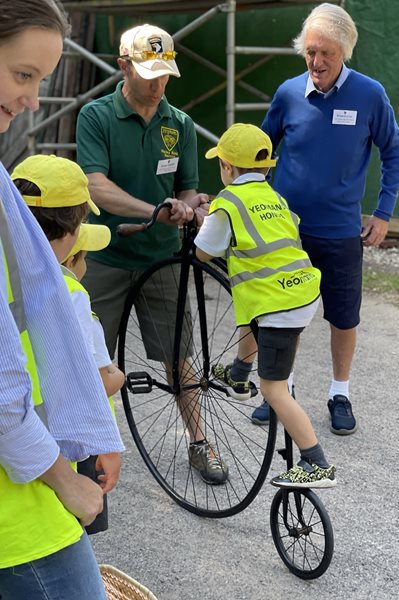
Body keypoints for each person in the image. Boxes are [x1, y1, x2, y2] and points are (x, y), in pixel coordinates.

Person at [0, 2, 124, 598]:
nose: (32, 100)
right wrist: (66, 480)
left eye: (42, 81)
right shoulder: (70, 291)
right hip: (20, 511)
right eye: (22, 75)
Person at [76, 23, 228, 485]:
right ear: (123, 66)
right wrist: (154, 210)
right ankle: (85, 450)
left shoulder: (179, 124)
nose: (158, 83)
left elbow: (185, 187)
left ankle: (199, 442)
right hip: (105, 256)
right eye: (148, 73)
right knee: (90, 357)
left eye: (164, 73)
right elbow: (95, 185)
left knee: (179, 355)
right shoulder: (96, 116)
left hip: (161, 257)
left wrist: (191, 205)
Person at [253, 2, 399, 433]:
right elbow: (261, 153)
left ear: (345, 52)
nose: (317, 62)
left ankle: (340, 393)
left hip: (340, 232)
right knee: (282, 315)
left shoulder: (369, 94)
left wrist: (383, 214)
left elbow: (394, 153)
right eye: (310, 52)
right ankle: (281, 390)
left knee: (343, 317)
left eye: (327, 53)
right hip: (286, 232)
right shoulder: (287, 94)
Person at [195, 123, 336, 489]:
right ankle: (239, 372)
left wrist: (207, 220)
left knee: (274, 389)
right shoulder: (274, 197)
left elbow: (204, 252)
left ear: (227, 167)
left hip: (279, 305)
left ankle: (316, 462)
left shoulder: (227, 202)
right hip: (301, 291)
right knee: (250, 316)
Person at [12, 153, 125, 536]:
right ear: (72, 234)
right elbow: (92, 378)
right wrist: (108, 440)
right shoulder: (69, 294)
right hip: (54, 445)